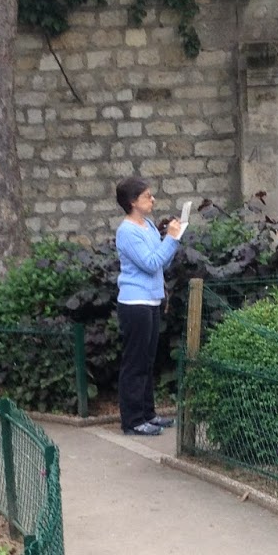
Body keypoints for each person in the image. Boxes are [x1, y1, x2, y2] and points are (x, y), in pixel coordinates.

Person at [114, 176, 182, 436]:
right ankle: (132, 420)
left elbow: (162, 262)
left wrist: (172, 239)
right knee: (135, 362)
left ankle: (148, 414)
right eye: (146, 196)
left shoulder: (149, 226)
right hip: (135, 303)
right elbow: (151, 263)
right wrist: (171, 240)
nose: (152, 200)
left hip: (151, 300)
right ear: (133, 202)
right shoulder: (127, 232)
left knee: (147, 360)